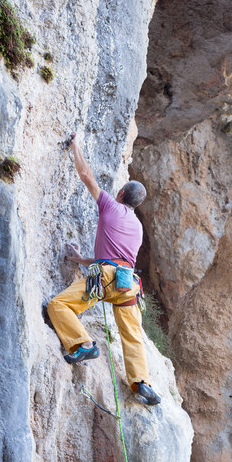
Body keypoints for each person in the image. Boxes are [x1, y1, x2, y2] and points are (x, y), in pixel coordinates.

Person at [47, 134, 161, 406]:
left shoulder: (110, 206)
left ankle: (83, 344)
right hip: (127, 284)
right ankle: (141, 383)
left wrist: (75, 146)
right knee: (132, 335)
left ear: (120, 194)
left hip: (105, 280)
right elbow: (117, 258)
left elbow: (86, 176)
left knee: (58, 305)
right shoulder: (137, 228)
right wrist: (80, 260)